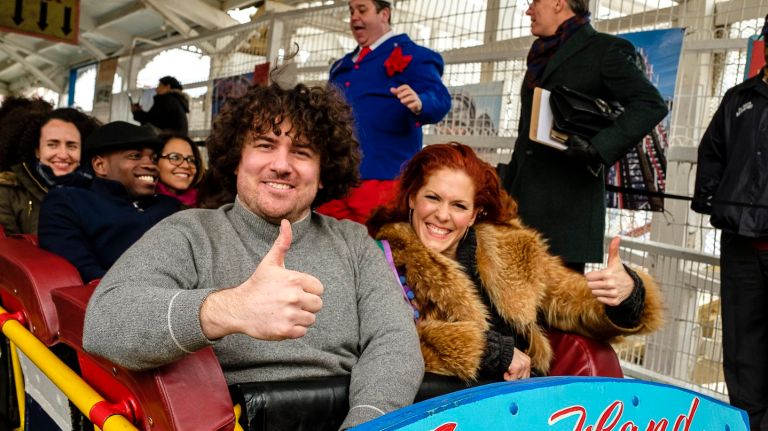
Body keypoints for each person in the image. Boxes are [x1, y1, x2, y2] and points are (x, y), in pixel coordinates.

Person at [82, 83, 423, 430]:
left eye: (302, 152)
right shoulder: (190, 232)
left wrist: (368, 421)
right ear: (235, 160)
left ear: (323, 174)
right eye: (264, 145)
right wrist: (228, 309)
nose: (281, 165)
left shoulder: (354, 243)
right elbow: (104, 323)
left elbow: (394, 340)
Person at [368, 143, 663, 381]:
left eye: (458, 205)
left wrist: (627, 294)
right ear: (411, 199)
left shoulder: (512, 250)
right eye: (432, 198)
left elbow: (570, 300)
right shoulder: (381, 259)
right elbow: (387, 344)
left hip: (526, 403)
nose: (443, 215)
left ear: (473, 215)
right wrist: (490, 351)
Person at [503, 0, 668, 271]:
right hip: (521, 209)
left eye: (534, 2)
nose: (528, 10)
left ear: (558, 3)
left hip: (566, 215)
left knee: (559, 311)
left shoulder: (604, 50)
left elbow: (650, 104)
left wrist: (597, 148)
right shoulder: (541, 54)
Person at [691, 20, 768, 430]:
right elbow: (713, 152)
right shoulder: (738, 99)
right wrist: (711, 199)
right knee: (742, 354)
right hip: (739, 245)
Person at [318, 0, 451, 224]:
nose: (354, 17)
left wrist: (421, 102)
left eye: (362, 10)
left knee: (379, 249)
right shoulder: (341, 66)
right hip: (337, 178)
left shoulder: (413, 55)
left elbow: (440, 98)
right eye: (351, 11)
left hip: (384, 181)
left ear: (384, 14)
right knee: (326, 245)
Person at [38, 121, 181, 282]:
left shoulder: (169, 206)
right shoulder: (68, 203)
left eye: (153, 159)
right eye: (135, 156)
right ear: (100, 165)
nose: (151, 166)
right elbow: (80, 276)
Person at [0, 106, 99, 235]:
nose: (63, 154)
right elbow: (8, 250)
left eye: (72, 146)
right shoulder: (8, 193)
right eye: (52, 145)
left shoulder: (98, 191)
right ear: (37, 150)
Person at [155, 133, 204, 207]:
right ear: (155, 160)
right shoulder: (142, 206)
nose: (186, 165)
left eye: (191, 160)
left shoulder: (205, 203)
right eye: (175, 158)